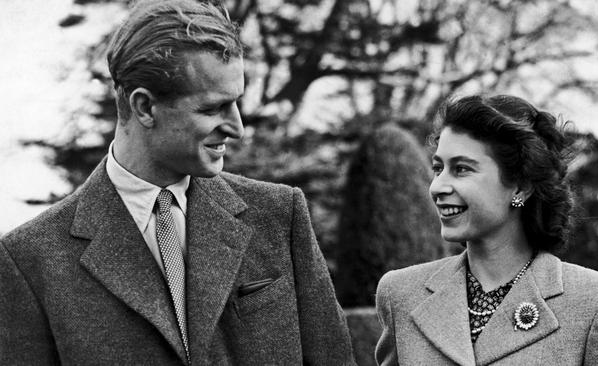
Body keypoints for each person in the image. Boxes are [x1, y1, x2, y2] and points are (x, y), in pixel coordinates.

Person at [0, 1, 354, 364]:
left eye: (236, 104)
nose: (237, 127)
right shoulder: (29, 261)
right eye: (212, 108)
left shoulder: (280, 216)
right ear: (145, 108)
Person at [375, 95, 598, 365]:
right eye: (438, 168)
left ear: (520, 186)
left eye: (461, 169)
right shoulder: (400, 295)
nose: (437, 187)